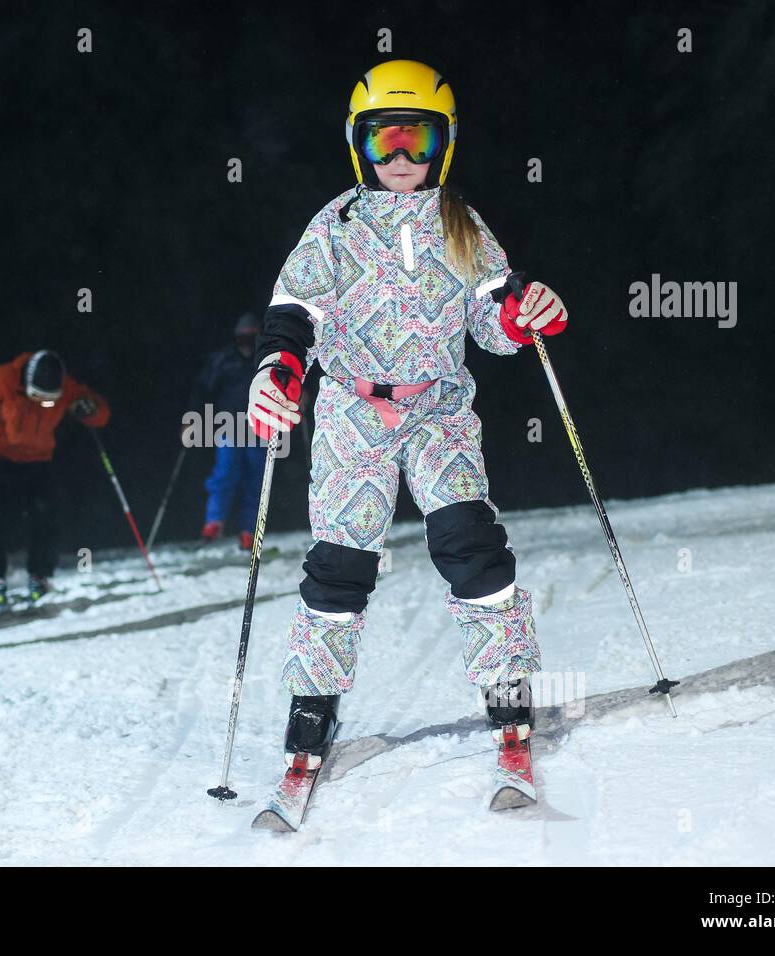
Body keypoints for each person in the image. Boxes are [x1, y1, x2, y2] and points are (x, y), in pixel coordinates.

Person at [247, 60, 569, 768]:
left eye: (415, 142)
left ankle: (506, 685)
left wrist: (523, 316)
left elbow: (492, 318)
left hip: (439, 407)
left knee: (469, 541)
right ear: (357, 145)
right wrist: (280, 366)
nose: (398, 158)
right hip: (351, 415)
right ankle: (314, 706)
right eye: (382, 141)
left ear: (442, 145)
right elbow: (293, 310)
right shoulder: (335, 225)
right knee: (339, 563)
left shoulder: (463, 225)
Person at [0, 350, 109, 612]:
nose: (42, 404)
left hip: (37, 459)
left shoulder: (65, 386)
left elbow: (99, 412)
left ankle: (40, 576)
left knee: (45, 513)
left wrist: (90, 409)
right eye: (37, 398)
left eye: (48, 401)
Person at [188, 312, 266, 550]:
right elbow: (202, 388)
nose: (248, 343)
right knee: (224, 474)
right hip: (229, 426)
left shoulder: (265, 359)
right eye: (244, 338)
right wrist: (193, 417)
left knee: (255, 481)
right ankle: (214, 522)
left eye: (252, 338)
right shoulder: (223, 360)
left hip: (258, 427)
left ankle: (248, 531)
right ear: (236, 338)